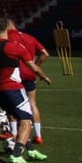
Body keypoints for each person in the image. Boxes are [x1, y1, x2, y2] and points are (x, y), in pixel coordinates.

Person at [0, 16, 51, 163]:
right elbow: (32, 66)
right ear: (7, 28)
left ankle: (30, 150)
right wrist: (44, 76)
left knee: (18, 118)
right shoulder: (15, 47)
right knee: (26, 121)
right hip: (12, 88)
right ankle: (17, 154)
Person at [6, 17, 51, 145]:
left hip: (15, 75)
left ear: (8, 25)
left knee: (11, 103)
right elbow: (45, 53)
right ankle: (38, 135)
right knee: (32, 103)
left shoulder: (7, 37)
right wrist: (35, 65)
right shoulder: (29, 37)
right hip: (30, 74)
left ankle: (13, 133)